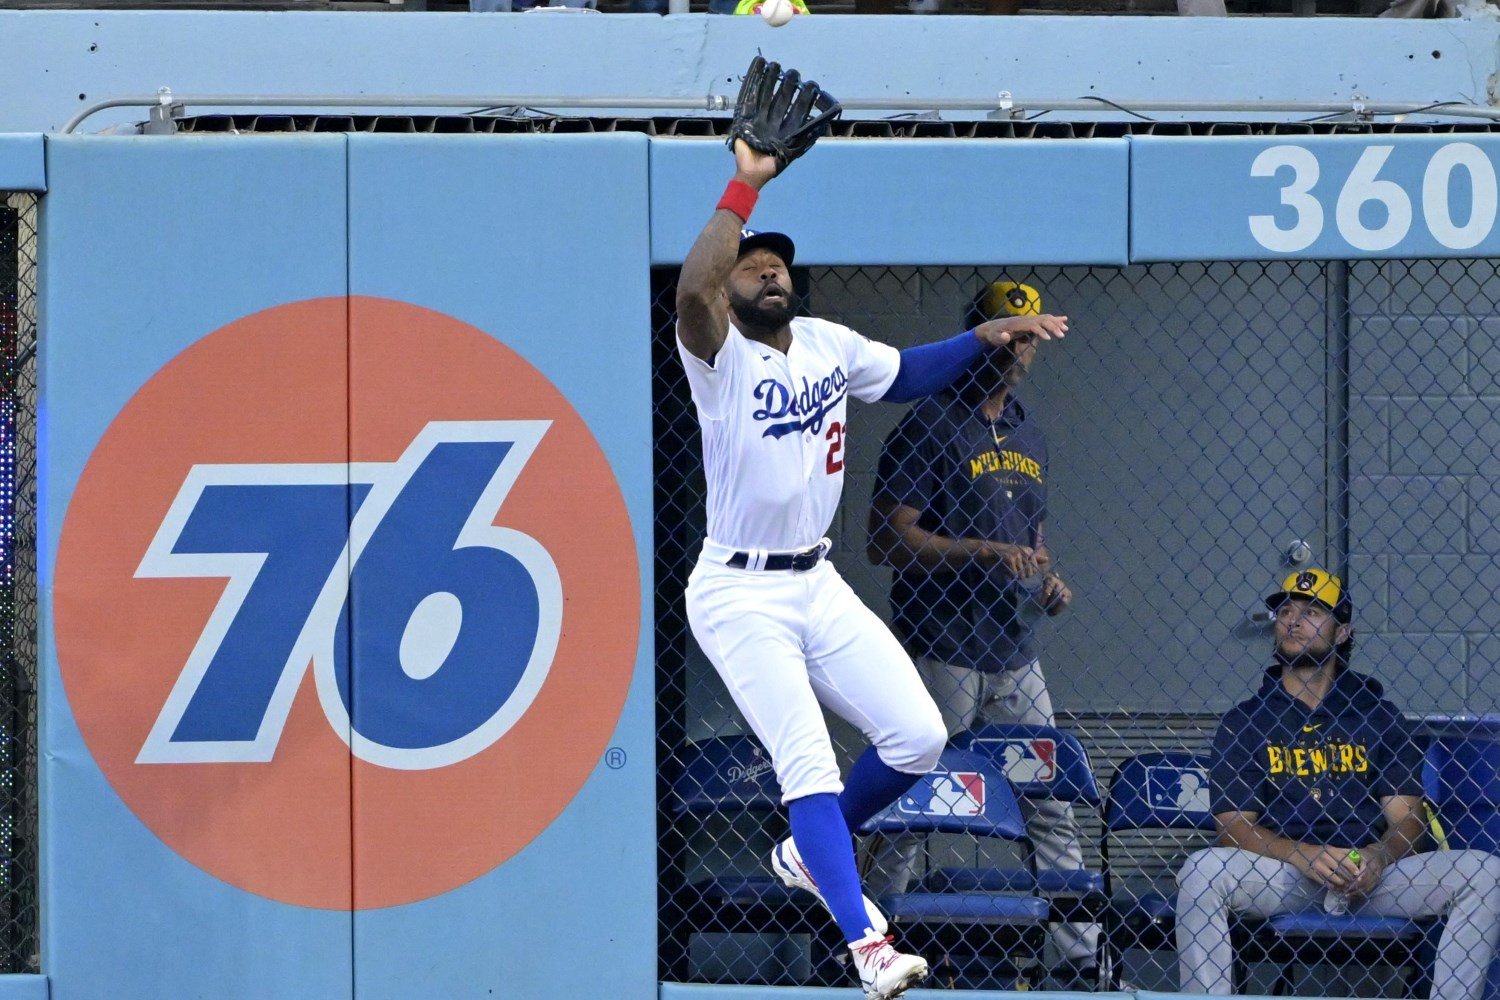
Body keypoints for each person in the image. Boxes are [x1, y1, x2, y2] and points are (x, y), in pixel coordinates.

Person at [673, 83, 1069, 998]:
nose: (767, 270)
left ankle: (812, 853)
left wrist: (985, 334)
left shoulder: (823, 341)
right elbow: (695, 285)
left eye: (775, 263)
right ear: (730, 295)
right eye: (753, 266)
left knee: (919, 736)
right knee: (806, 757)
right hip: (738, 591)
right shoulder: (718, 356)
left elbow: (908, 374)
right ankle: (867, 942)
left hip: (813, 582)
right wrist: (745, 190)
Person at [863, 280, 1100, 991]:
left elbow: (1031, 536)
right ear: (979, 334)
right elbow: (884, 540)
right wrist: (985, 554)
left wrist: (1043, 580)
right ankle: (872, 947)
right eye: (1007, 329)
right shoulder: (929, 422)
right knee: (910, 804)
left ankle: (1081, 960)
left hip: (1013, 649)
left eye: (1028, 335)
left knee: (1048, 801)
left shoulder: (1029, 431)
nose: (1018, 345)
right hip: (943, 645)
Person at [1176, 568, 1500, 999]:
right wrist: (1303, 855)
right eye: (1285, 610)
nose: (1292, 620)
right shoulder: (1246, 721)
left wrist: (1377, 857)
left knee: (1486, 874)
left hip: (1372, 878)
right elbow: (1233, 827)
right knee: (1200, 871)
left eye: (1312, 612)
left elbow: (1408, 819)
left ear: (1343, 631)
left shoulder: (1378, 715)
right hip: (1283, 876)